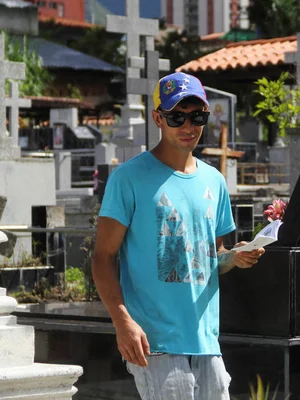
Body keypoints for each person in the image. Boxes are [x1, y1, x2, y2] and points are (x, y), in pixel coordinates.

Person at [92, 72, 264, 399]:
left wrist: (235, 257)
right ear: (158, 118)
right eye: (177, 116)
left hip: (205, 339)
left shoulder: (214, 181)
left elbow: (212, 259)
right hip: (153, 340)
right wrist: (122, 321)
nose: (188, 126)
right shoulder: (128, 179)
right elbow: (102, 257)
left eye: (197, 116)